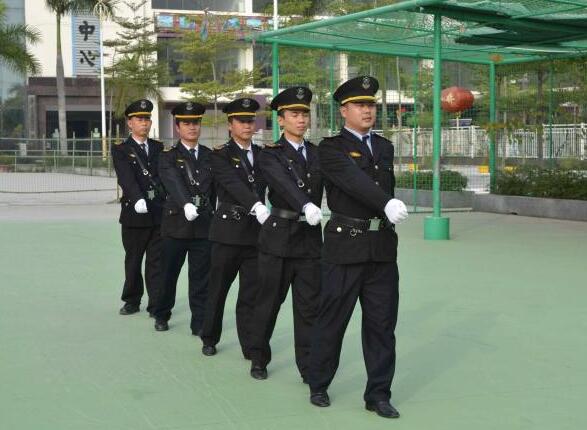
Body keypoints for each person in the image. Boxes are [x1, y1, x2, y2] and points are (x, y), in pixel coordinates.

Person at [306, 76, 409, 419]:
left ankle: (378, 394)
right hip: (346, 245)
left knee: (382, 324)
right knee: (333, 318)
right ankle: (319, 382)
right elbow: (354, 181)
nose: (367, 110)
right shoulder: (330, 149)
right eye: (360, 105)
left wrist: (387, 208)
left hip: (381, 247)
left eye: (371, 105)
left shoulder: (384, 146)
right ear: (343, 110)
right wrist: (386, 203)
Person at [248, 87, 323, 381]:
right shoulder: (270, 155)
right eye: (294, 114)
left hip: (310, 239)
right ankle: (258, 357)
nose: (301, 119)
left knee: (309, 307)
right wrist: (306, 204)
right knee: (268, 302)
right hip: (279, 238)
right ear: (281, 120)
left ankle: (308, 367)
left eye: (304, 113)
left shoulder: (317, 153)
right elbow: (283, 185)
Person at [200, 97, 268, 358]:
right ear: (230, 125)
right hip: (227, 234)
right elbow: (233, 184)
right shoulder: (219, 155)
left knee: (251, 294)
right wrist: (256, 205)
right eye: (241, 121)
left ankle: (249, 345)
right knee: (217, 290)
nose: (247, 125)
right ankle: (209, 337)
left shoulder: (262, 154)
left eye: (251, 120)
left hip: (255, 235)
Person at [151, 102, 215, 335]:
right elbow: (172, 182)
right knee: (168, 275)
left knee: (201, 279)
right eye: (186, 123)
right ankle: (161, 314)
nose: (192, 127)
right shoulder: (168, 156)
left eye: (195, 123)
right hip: (176, 224)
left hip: (203, 226)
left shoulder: (210, 156)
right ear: (177, 127)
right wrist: (186, 204)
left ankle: (199, 322)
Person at [111, 99, 166, 316]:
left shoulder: (158, 147)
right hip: (134, 214)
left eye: (147, 119)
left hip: (157, 213)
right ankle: (132, 300)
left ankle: (156, 304)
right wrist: (137, 198)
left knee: (156, 263)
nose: (144, 123)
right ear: (130, 123)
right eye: (139, 119)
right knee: (133, 260)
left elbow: (162, 176)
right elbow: (125, 177)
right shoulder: (121, 149)